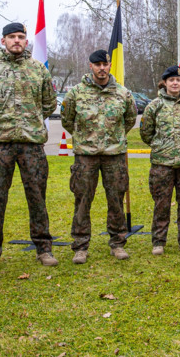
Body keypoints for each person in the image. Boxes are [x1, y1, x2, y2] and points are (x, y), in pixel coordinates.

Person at [0, 22, 58, 273]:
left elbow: (48, 103)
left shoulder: (38, 70)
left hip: (31, 144)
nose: (17, 41)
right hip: (0, 145)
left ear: (26, 41)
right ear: (3, 41)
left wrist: (30, 121)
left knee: (37, 199)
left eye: (21, 37)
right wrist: (0, 122)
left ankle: (44, 249)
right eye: (12, 37)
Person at [60, 49, 137, 264]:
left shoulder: (123, 93)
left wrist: (115, 138)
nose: (102, 68)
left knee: (116, 200)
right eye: (97, 64)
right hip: (86, 155)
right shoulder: (76, 93)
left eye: (105, 64)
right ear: (90, 66)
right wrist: (85, 138)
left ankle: (118, 243)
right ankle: (80, 246)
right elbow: (68, 119)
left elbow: (129, 119)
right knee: (83, 200)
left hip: (114, 155)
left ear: (109, 65)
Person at [140, 66, 180, 255]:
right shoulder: (155, 106)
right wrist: (162, 147)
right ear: (164, 83)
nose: (175, 83)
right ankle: (159, 241)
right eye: (171, 80)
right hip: (162, 164)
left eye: (178, 79)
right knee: (162, 203)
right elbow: (146, 132)